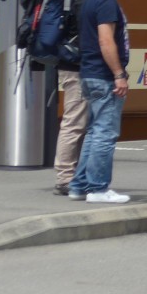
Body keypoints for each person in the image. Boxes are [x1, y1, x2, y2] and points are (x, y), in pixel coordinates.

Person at [68, 0, 133, 205]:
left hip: (89, 73)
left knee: (95, 132)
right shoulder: (106, 1)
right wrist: (119, 74)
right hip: (104, 76)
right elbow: (107, 42)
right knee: (105, 134)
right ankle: (98, 188)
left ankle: (79, 186)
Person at [53, 54, 89, 196]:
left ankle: (71, 176)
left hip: (74, 66)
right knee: (74, 124)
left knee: (77, 123)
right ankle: (65, 178)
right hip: (77, 68)